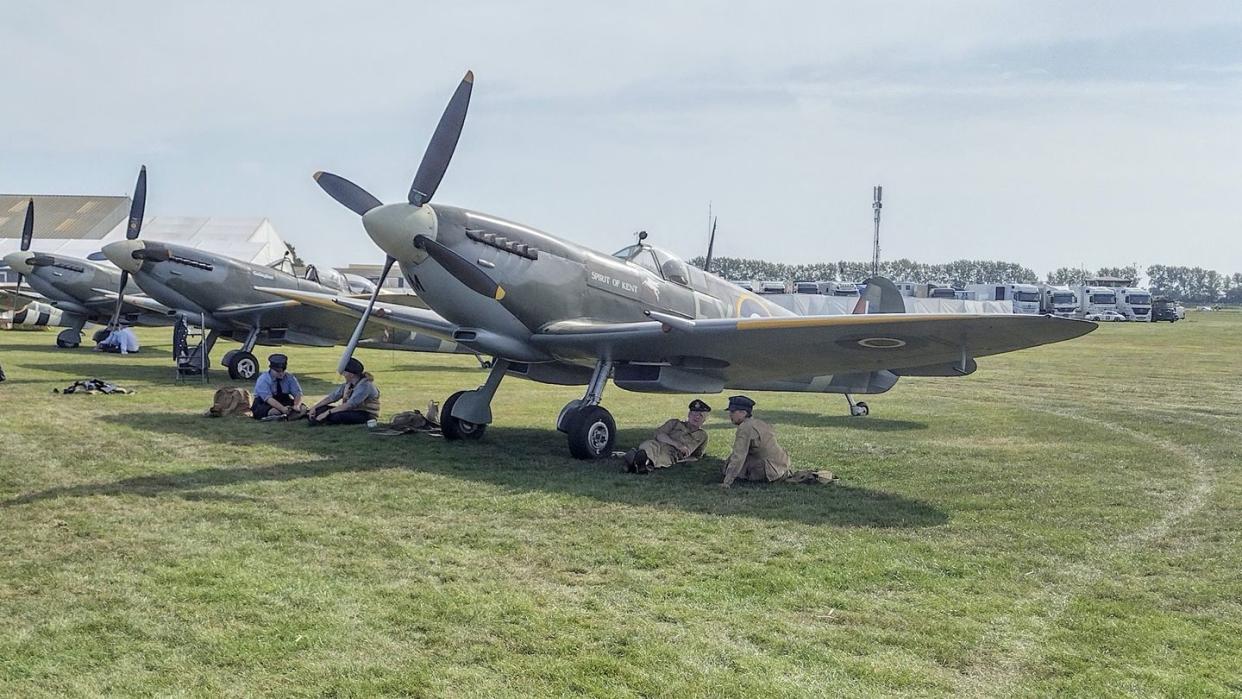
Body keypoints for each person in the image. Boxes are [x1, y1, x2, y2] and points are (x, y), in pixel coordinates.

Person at [719, 395, 792, 488]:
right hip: (781, 465)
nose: (730, 414)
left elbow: (739, 456)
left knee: (728, 466)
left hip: (769, 470)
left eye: (733, 411)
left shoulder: (745, 428)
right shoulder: (758, 422)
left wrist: (727, 482)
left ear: (743, 412)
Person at [624, 399, 712, 473]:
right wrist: (677, 444)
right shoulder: (674, 423)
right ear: (689, 415)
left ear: (704, 420)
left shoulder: (702, 436)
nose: (696, 417)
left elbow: (697, 456)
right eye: (694, 413)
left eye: (700, 415)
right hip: (658, 444)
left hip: (671, 453)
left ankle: (637, 463)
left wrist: (682, 460)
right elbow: (659, 435)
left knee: (663, 458)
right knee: (648, 445)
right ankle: (642, 463)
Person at [308, 357, 380, 426]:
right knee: (320, 409)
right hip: (351, 411)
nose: (342, 374)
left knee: (336, 416)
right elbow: (332, 397)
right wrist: (314, 407)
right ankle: (321, 419)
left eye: (344, 372)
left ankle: (322, 420)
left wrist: (327, 413)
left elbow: (350, 405)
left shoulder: (365, 386)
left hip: (365, 414)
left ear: (351, 374)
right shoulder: (348, 384)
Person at [251, 353, 306, 420]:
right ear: (271, 369)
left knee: (303, 408)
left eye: (283, 371)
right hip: (264, 403)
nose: (281, 374)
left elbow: (297, 393)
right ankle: (288, 416)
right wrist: (283, 409)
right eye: (278, 371)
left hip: (284, 400)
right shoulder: (263, 379)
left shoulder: (289, 377)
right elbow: (268, 399)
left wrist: (296, 405)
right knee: (275, 411)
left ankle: (285, 417)